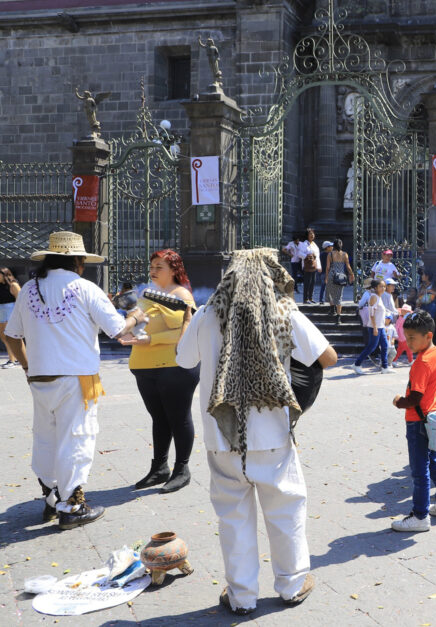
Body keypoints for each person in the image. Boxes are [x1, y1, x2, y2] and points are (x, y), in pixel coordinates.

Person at [176, 248, 334, 614]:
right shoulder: (284, 312)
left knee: (233, 517)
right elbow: (328, 357)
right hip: (272, 434)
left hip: (222, 435)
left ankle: (241, 595)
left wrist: (189, 320)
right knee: (285, 510)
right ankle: (292, 584)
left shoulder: (206, 315)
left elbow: (183, 359)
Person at [3, 232, 146, 529]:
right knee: (77, 437)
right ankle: (72, 505)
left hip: (40, 376)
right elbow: (117, 329)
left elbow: (12, 335)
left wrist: (27, 367)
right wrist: (135, 316)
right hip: (77, 378)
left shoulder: (29, 288)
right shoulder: (86, 288)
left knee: (46, 436)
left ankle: (51, 497)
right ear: (78, 262)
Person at [122, 250, 200, 494]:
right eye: (152, 266)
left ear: (174, 270)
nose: (153, 271)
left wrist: (150, 339)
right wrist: (130, 324)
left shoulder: (182, 295)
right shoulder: (146, 293)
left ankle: (182, 469)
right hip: (143, 366)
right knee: (159, 418)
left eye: (159, 267)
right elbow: (138, 321)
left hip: (174, 366)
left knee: (179, 418)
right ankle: (159, 468)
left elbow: (185, 331)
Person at [390, 310, 436, 532]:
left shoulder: (422, 362)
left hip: (418, 421)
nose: (408, 342)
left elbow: (414, 398)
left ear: (428, 336)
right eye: (406, 337)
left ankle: (420, 516)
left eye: (412, 338)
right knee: (434, 462)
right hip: (434, 418)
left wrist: (399, 401)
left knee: (420, 471)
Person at [354, 280, 390, 374]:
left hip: (381, 327)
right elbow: (372, 314)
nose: (383, 288)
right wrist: (375, 327)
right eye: (381, 286)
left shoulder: (379, 297)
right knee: (371, 347)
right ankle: (357, 364)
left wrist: (383, 326)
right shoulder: (374, 297)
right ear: (375, 288)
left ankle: (385, 367)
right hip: (375, 327)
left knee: (385, 346)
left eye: (384, 286)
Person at [325, 239, 355, 324]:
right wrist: (352, 274)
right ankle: (338, 318)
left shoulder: (330, 254)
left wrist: (326, 277)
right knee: (339, 296)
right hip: (341, 276)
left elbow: (328, 267)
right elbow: (348, 267)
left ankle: (332, 309)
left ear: (333, 246)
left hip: (332, 275)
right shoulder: (345, 254)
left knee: (330, 293)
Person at [0, 267, 22, 368]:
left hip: (10, 309)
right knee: (3, 336)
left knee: (10, 336)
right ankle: (15, 358)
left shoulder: (13, 285)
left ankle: (12, 360)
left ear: (4, 275)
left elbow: (20, 300)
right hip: (2, 310)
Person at [296, 228, 321, 305]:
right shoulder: (303, 244)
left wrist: (319, 266)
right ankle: (305, 299)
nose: (312, 235)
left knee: (312, 282)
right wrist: (306, 256)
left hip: (314, 266)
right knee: (307, 282)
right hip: (307, 266)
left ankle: (310, 298)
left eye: (313, 233)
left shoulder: (314, 244)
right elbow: (299, 254)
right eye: (310, 234)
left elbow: (317, 256)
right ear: (307, 235)